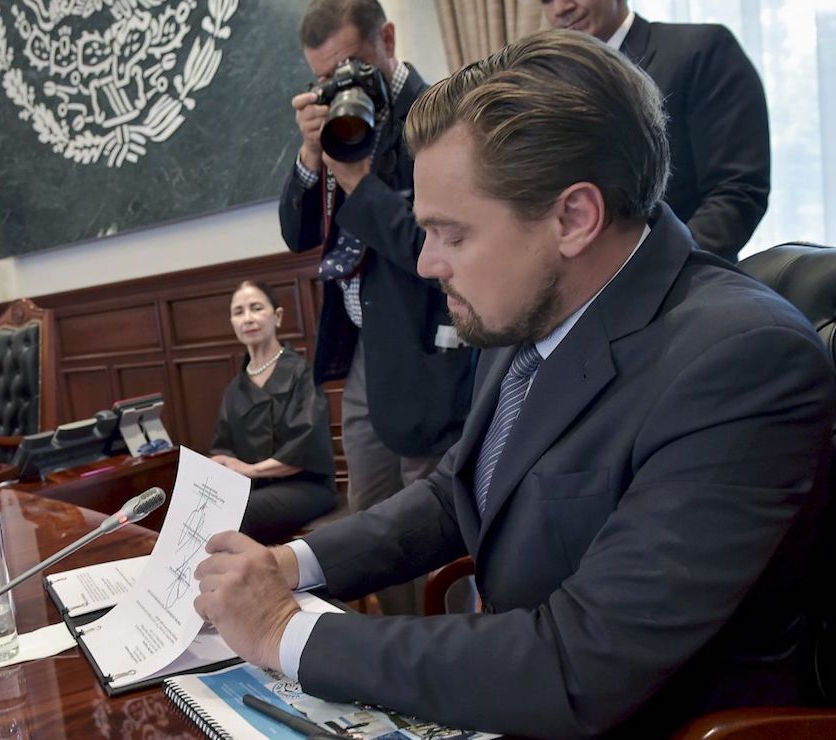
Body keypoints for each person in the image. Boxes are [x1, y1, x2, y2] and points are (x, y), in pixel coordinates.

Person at [195, 30, 835, 738]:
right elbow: (458, 491)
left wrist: (284, 632)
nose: (428, 264)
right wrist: (291, 564)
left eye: (452, 234)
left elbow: (579, 663)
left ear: (574, 218)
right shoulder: (532, 307)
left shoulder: (743, 361)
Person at [279, 0, 476, 614]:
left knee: (432, 514)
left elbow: (431, 246)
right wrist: (311, 157)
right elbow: (297, 232)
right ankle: (395, 641)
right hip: (366, 350)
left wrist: (360, 182)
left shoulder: (439, 113)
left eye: (353, 66)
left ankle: (451, 646)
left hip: (424, 347)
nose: (343, 84)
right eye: (325, 76)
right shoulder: (337, 123)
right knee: (370, 512)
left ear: (387, 39)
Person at [541, 0, 770, 261]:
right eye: (546, 0)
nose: (560, 8)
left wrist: (658, 270)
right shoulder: (550, 85)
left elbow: (736, 192)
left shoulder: (701, 50)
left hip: (681, 277)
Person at [209, 281, 336, 544]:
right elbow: (223, 450)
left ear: (277, 316)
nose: (248, 318)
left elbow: (306, 447)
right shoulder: (235, 388)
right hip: (255, 488)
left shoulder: (302, 373)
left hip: (306, 486)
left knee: (239, 513)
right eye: (239, 312)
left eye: (256, 308)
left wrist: (251, 470)